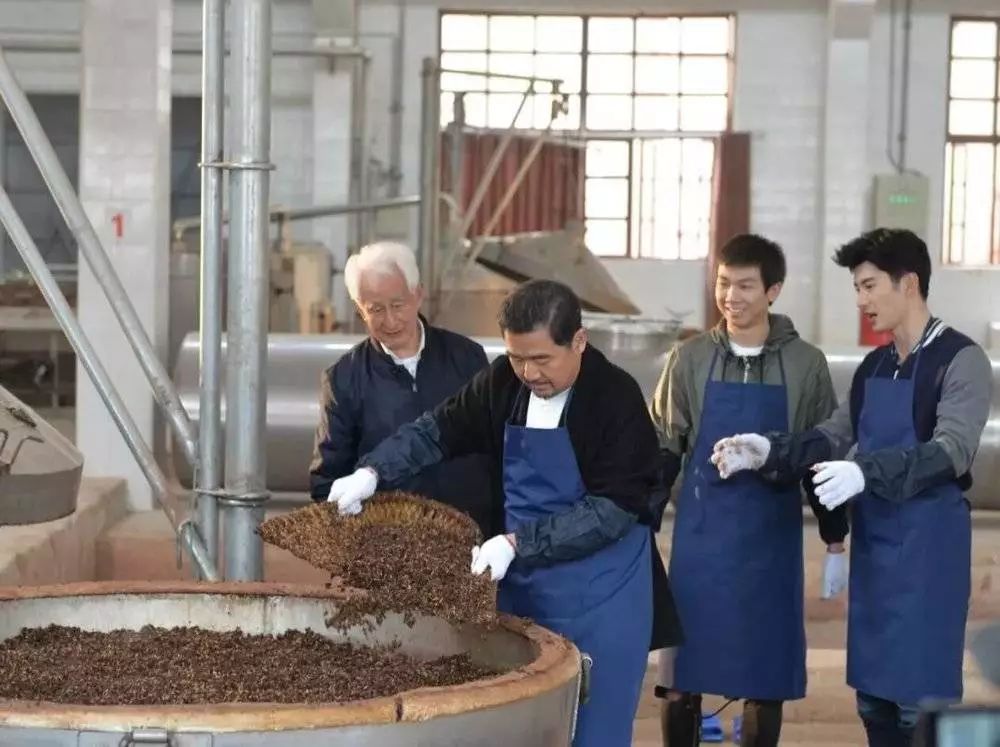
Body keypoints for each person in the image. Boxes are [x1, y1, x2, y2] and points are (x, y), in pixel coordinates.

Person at [327, 279, 682, 747]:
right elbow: (436, 431)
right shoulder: (503, 383)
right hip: (525, 586)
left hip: (602, 593)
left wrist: (518, 543)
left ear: (578, 341)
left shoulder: (614, 398)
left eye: (542, 359)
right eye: (517, 357)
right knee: (519, 726)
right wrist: (372, 472)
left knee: (592, 729)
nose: (529, 372)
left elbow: (612, 512)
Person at [712, 228, 992, 747]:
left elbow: (951, 449)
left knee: (917, 709)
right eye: (856, 289)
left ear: (909, 283)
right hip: (877, 554)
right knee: (874, 704)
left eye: (869, 286)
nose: (861, 301)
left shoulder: (961, 359)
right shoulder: (874, 366)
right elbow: (833, 435)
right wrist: (768, 450)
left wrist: (866, 472)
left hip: (929, 558)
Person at [650, 233, 850, 747]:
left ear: (773, 291)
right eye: (723, 283)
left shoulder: (806, 364)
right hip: (701, 542)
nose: (730, 297)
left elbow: (818, 454)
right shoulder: (689, 359)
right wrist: (642, 527)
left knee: (766, 679)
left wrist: (835, 539)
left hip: (770, 544)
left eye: (744, 286)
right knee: (681, 675)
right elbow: (664, 449)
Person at [308, 241, 494, 534]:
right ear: (359, 310)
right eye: (375, 309)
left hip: (469, 538)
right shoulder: (343, 379)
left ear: (418, 295)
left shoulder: (467, 358)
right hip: (389, 547)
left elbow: (497, 450)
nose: (390, 320)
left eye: (398, 305)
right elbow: (327, 483)